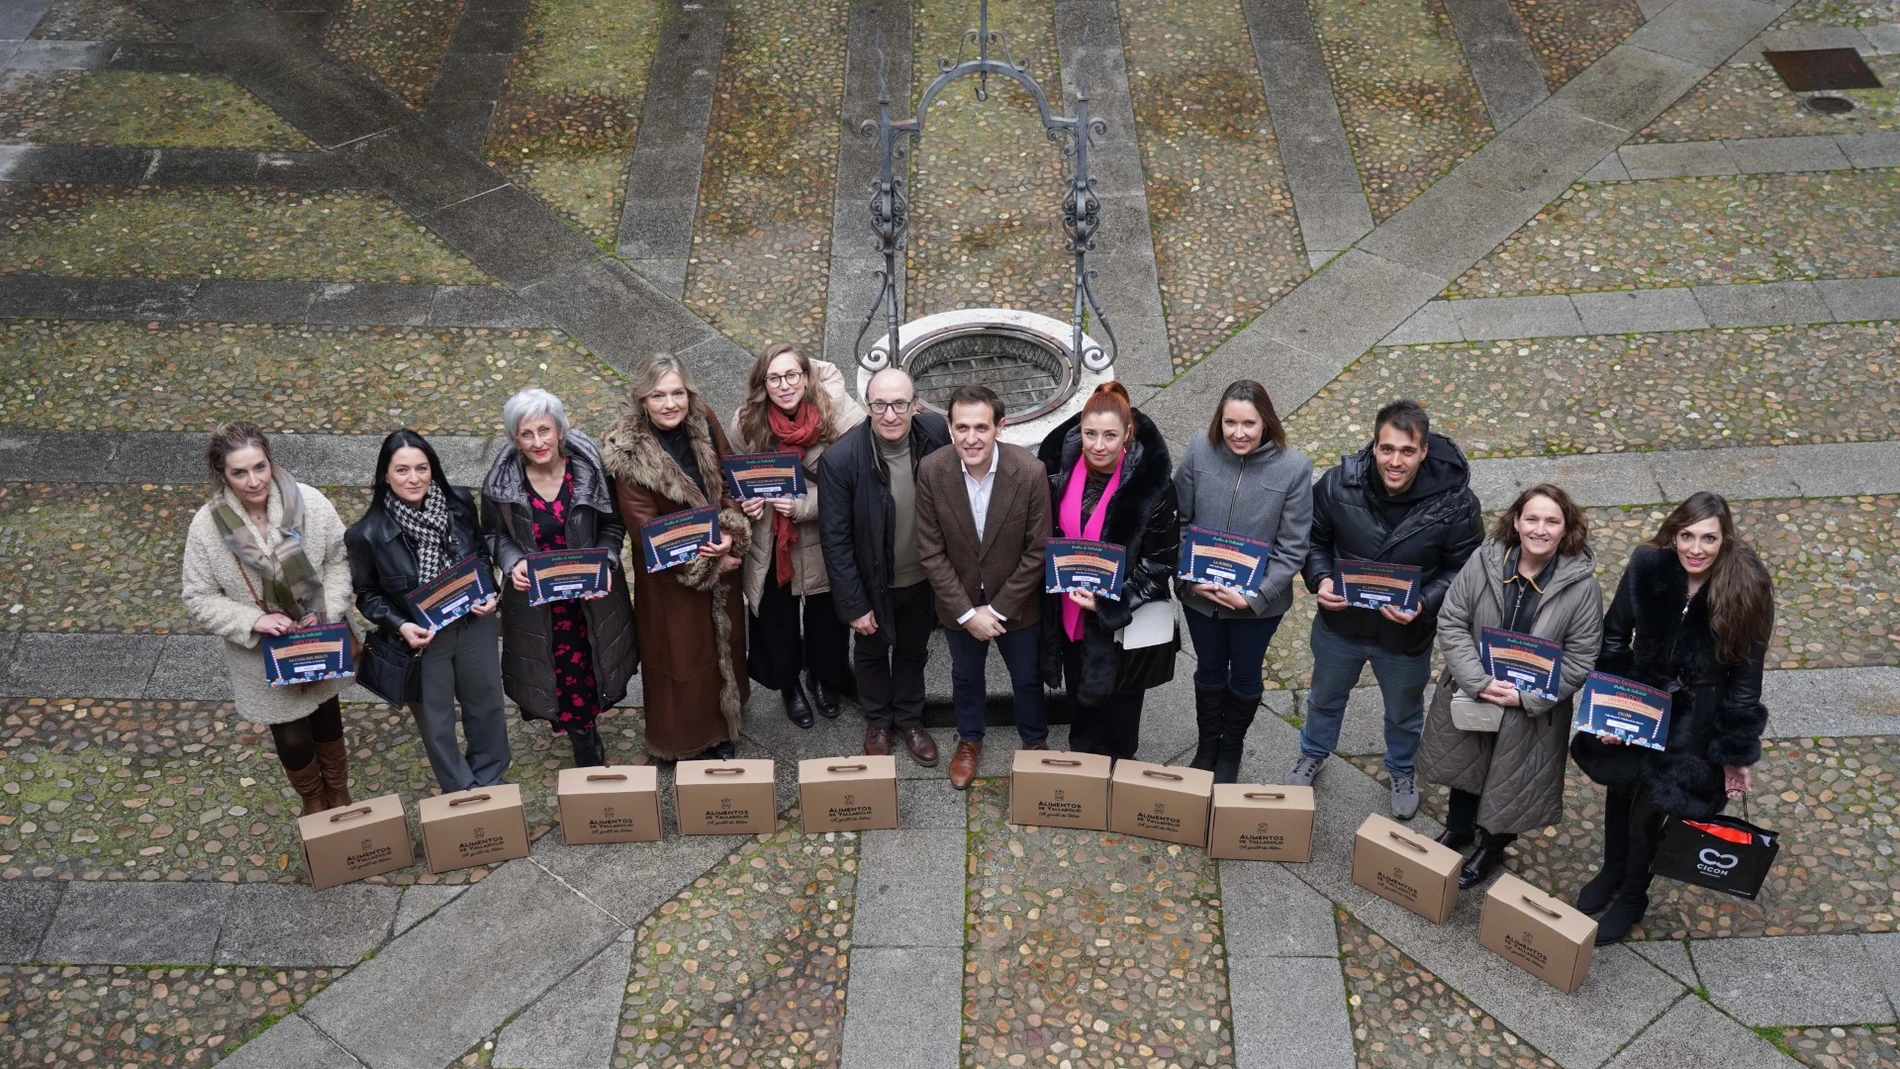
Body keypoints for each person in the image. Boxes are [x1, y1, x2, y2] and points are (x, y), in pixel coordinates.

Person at [1571, 491, 1773, 944]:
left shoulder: (1748, 586)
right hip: (1640, 699)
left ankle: (1632, 897)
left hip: (1696, 719)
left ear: (1725, 540)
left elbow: (1746, 677)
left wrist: (1734, 753)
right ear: (1674, 533)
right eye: (1687, 535)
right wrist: (1611, 708)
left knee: (1651, 811)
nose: (1695, 548)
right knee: (1620, 794)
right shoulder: (1648, 566)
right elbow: (1616, 635)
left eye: (1708, 538)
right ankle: (1613, 871)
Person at [1291, 399, 1484, 820]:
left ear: (1425, 450)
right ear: (1373, 445)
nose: (1395, 461)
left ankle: (1401, 769)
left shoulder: (1457, 504)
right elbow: (1312, 540)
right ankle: (1312, 752)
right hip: (1341, 625)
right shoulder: (1338, 484)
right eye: (1387, 449)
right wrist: (1320, 579)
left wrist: (1423, 602)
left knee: (1403, 711)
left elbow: (1465, 571)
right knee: (1324, 699)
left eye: (1407, 451)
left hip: (1404, 636)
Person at [1418, 484, 1603, 889]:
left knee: (1512, 779)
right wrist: (1478, 681)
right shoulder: (1484, 562)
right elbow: (1452, 620)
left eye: (1552, 521)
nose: (1540, 529)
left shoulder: (1583, 587)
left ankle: (1492, 845)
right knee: (1467, 766)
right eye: (1532, 518)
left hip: (1531, 706)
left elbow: (1581, 658)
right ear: (1516, 522)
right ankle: (1459, 829)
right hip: (1476, 689)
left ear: (1566, 528)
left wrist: (1526, 697)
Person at [182, 422, 357, 815]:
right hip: (263, 655)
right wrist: (252, 621)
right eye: (239, 472)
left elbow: (339, 559)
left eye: (259, 467)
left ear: (270, 460)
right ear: (222, 474)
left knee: (327, 718)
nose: (253, 480)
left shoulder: (309, 503)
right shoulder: (207, 527)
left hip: (318, 638)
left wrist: (325, 608)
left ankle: (339, 791)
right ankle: (313, 799)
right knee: (292, 736)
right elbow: (198, 596)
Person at [600, 353, 750, 761]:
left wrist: (732, 534)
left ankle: (725, 725)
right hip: (670, 578)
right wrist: (712, 561)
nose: (670, 404)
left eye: (677, 393)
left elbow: (727, 476)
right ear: (642, 400)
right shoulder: (627, 450)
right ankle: (687, 741)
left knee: (723, 650)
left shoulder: (703, 418)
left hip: (721, 558)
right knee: (683, 662)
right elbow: (643, 529)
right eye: (658, 395)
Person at [482, 389, 638, 767]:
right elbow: (493, 534)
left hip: (591, 595)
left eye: (544, 430)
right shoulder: (500, 485)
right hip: (539, 603)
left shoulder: (590, 471)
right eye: (526, 434)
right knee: (559, 672)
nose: (538, 442)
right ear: (515, 439)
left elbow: (613, 525)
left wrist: (606, 559)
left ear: (559, 430)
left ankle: (587, 727)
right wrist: (512, 560)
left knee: (593, 665)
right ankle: (583, 739)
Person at [347, 429, 509, 793]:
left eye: (422, 468)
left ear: (433, 469)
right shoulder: (366, 534)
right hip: (422, 639)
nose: (414, 478)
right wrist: (399, 624)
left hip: (473, 624)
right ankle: (462, 792)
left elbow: (481, 554)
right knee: (436, 723)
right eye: (402, 470)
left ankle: (491, 782)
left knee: (487, 707)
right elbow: (366, 594)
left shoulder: (460, 504)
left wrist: (489, 590)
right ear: (385, 475)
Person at [1172, 380, 1312, 783]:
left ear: (1265, 422)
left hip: (1258, 604)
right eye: (1230, 422)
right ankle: (1206, 745)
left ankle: (1230, 748)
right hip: (1200, 597)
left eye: (1248, 423)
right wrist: (1189, 578)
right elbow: (1178, 519)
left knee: (1246, 675)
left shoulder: (1294, 467)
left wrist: (1255, 597)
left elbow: (1293, 546)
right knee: (1209, 670)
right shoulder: (1200, 448)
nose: (1238, 433)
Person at [917, 384, 1053, 789]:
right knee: (965, 676)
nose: (971, 438)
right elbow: (930, 550)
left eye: (981, 427)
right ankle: (969, 739)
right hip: (957, 602)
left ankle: (1034, 742)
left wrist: (995, 611)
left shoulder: (1029, 472)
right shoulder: (932, 470)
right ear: (949, 427)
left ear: (1000, 427)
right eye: (962, 427)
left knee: (1027, 677)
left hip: (1016, 602)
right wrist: (964, 612)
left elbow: (1038, 550)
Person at [1038, 381, 1179, 760]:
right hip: (1068, 609)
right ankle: (1083, 766)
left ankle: (1119, 768)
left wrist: (1107, 603)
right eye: (1090, 434)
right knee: (1079, 702)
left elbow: (1161, 561)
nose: (1098, 445)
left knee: (1120, 709)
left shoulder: (1153, 485)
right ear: (1079, 431)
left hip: (1120, 619)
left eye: (1110, 436)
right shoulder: (1058, 471)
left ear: (1127, 436)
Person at [729, 342, 866, 728]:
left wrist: (804, 506)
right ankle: (789, 684)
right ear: (763, 383)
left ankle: (823, 678)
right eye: (774, 378)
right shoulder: (746, 422)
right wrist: (746, 504)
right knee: (776, 621)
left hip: (823, 540)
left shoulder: (839, 415)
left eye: (792, 375)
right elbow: (734, 480)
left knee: (827, 620)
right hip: (772, 541)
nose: (784, 385)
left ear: (806, 377)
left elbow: (856, 487)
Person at [818, 367, 950, 766]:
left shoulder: (936, 435)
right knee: (872, 653)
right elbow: (835, 540)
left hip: (922, 578)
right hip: (872, 581)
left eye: (899, 404)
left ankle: (910, 720)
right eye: (880, 404)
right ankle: (878, 722)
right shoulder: (841, 460)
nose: (890, 414)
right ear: (867, 406)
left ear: (915, 405)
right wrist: (854, 604)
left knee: (913, 651)